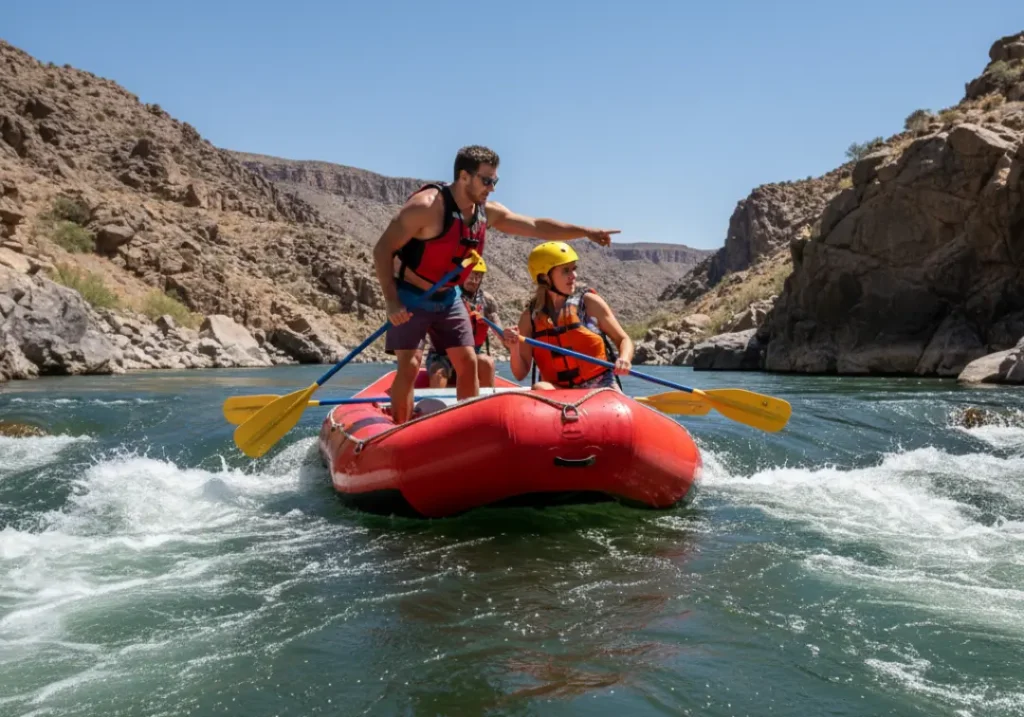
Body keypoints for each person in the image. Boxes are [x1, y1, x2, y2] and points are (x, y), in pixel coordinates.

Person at [373, 145, 620, 424]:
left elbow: (536, 226)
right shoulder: (426, 207)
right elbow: (382, 250)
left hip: (448, 297)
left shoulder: (486, 212)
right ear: (464, 177)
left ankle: (467, 429)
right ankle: (400, 430)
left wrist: (586, 232)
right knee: (410, 364)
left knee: (469, 363)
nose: (492, 188)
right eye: (486, 180)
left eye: (495, 181)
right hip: (411, 294)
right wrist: (392, 301)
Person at [500, 241, 634, 391]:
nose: (574, 275)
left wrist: (624, 358)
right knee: (540, 387)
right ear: (545, 278)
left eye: (574, 269)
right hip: (559, 390)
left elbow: (623, 339)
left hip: (599, 386)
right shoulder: (530, 318)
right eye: (566, 271)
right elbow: (520, 374)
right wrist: (514, 348)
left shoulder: (588, 302)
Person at [426, 257, 502, 389]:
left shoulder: (488, 301)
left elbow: (498, 329)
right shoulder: (447, 296)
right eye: (470, 275)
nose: (473, 280)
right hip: (442, 355)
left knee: (487, 362)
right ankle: (437, 407)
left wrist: (505, 335)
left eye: (478, 276)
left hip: (472, 354)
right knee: (439, 373)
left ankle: (485, 406)